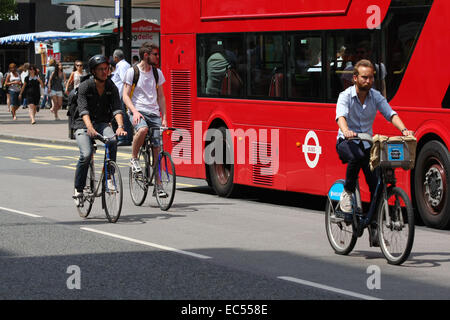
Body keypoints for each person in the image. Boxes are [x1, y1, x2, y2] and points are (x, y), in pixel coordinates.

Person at [335, 59, 414, 218]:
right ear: (355, 78)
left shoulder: (375, 96)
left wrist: (404, 130)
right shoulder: (345, 96)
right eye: (364, 77)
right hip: (347, 141)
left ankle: (374, 225)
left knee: (376, 181)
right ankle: (347, 193)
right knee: (357, 157)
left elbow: (390, 114)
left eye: (371, 77)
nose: (368, 80)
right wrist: (346, 131)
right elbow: (340, 117)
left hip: (366, 142)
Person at [72, 54, 127, 204]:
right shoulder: (85, 86)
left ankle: (109, 177)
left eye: (106, 69)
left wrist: (120, 127)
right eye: (100, 69)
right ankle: (79, 187)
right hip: (82, 124)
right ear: (93, 71)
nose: (104, 72)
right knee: (86, 154)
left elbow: (117, 109)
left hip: (102, 123)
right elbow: (83, 110)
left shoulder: (111, 86)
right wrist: (89, 127)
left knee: (113, 141)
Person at [122, 42, 168, 197]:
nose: (158, 57)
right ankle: (134, 159)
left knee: (157, 148)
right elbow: (125, 96)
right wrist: (134, 111)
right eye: (155, 54)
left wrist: (164, 118)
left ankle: (158, 186)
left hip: (154, 113)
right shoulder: (132, 71)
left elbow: (161, 97)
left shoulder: (157, 73)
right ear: (146, 55)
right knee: (142, 129)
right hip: (138, 111)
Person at [111, 49, 133, 146]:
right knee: (123, 116)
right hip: (121, 95)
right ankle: (124, 137)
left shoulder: (122, 66)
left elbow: (126, 81)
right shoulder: (123, 65)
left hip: (121, 95)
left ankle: (124, 138)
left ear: (116, 57)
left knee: (123, 117)